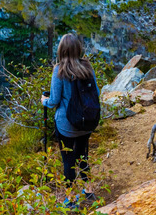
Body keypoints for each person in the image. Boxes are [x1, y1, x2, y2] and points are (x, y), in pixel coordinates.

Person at [41, 33, 98, 208]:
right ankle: (89, 191)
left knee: (68, 160)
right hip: (86, 122)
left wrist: (45, 101)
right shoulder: (87, 67)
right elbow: (96, 92)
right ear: (78, 49)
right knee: (82, 156)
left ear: (61, 50)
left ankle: (71, 199)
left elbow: (55, 100)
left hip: (67, 125)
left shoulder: (59, 70)